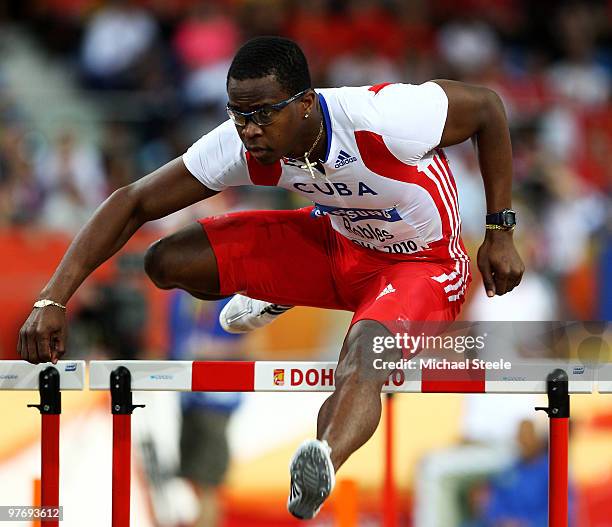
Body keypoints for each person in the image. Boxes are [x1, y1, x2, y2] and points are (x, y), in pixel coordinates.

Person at [18, 36, 524, 520]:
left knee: (363, 355)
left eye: (262, 115)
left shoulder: (384, 117)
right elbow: (132, 201)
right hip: (332, 242)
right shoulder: (243, 143)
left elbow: (487, 108)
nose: (249, 130)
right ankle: (276, 291)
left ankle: (322, 459)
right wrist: (51, 300)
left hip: (421, 266)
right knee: (166, 261)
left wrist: (500, 229)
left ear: (306, 103)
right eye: (237, 115)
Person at [168, 292, 242, 527]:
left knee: (209, 483)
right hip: (188, 396)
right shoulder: (179, 297)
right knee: (193, 477)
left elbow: (256, 345)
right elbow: (175, 341)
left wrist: (213, 351)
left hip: (217, 399)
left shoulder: (235, 295)